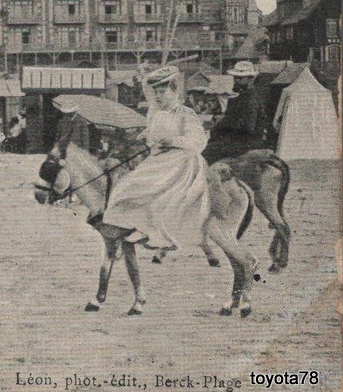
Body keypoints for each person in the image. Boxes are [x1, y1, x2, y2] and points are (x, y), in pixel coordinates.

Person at [101, 66, 210, 251]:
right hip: (157, 159)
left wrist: (173, 141)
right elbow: (153, 134)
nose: (158, 97)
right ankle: (136, 226)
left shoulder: (185, 113)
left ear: (174, 91)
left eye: (162, 92)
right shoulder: (155, 112)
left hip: (180, 160)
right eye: (156, 93)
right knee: (127, 186)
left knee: (157, 192)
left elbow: (198, 142)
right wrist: (147, 135)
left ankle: (158, 234)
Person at [203, 61, 266, 164]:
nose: (236, 80)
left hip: (245, 142)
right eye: (235, 77)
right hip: (238, 140)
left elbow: (248, 126)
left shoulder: (250, 99)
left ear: (251, 79)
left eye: (240, 78)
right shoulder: (241, 96)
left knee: (204, 155)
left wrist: (223, 121)